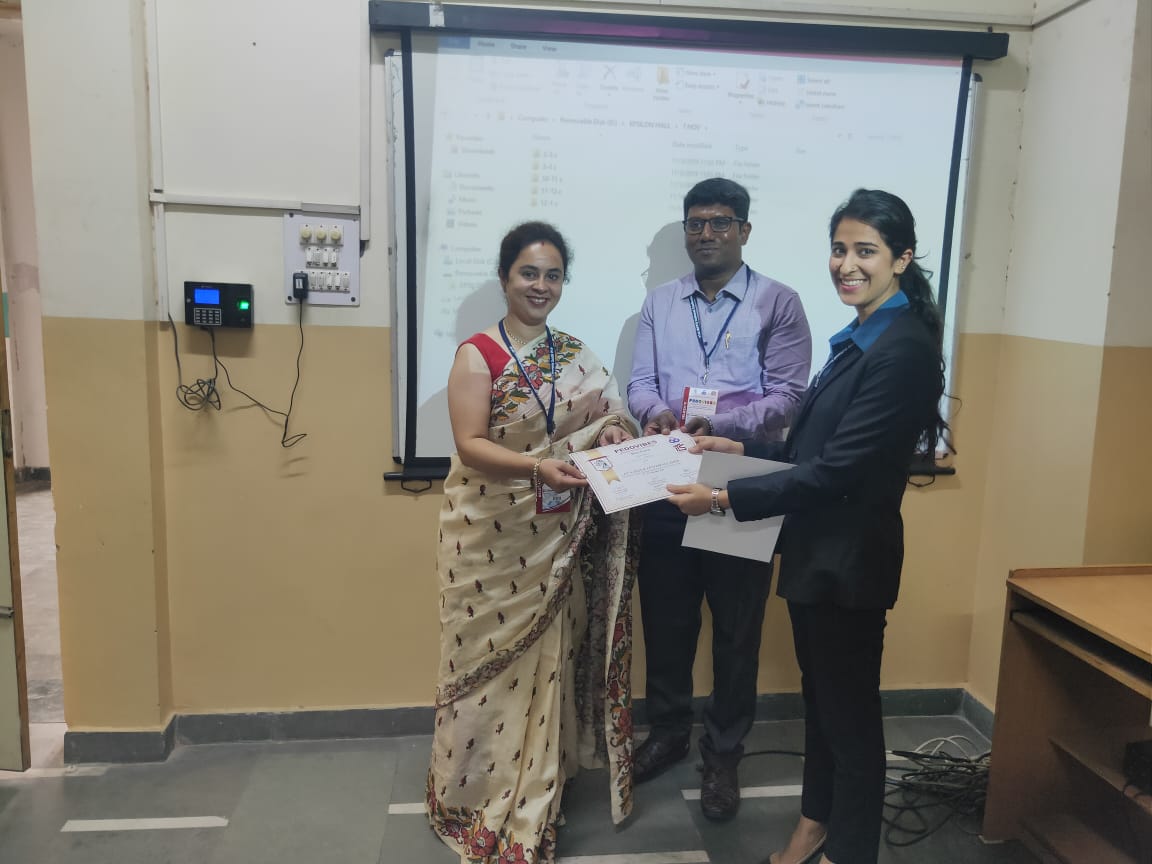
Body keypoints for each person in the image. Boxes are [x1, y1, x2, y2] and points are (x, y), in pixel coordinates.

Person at [667, 189, 950, 864]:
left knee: (850, 724)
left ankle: (848, 851)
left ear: (902, 258)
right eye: (839, 249)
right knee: (823, 709)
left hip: (848, 564)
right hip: (816, 556)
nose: (847, 265)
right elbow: (815, 449)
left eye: (866, 251)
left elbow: (838, 472)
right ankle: (815, 825)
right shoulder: (861, 336)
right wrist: (744, 450)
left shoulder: (901, 349)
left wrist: (721, 499)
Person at [426, 221, 640, 864]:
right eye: (528, 273)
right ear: (504, 278)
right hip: (488, 539)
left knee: (549, 661)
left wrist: (612, 434)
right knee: (482, 667)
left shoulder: (575, 353)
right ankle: (473, 793)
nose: (540, 286)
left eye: (552, 275)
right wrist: (536, 466)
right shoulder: (478, 354)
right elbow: (470, 445)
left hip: (558, 537)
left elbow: (611, 413)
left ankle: (536, 791)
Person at [626, 178, 812, 821]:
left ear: (744, 231)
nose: (707, 234)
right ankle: (668, 734)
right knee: (667, 620)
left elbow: (789, 399)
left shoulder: (779, 302)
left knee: (736, 630)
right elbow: (640, 382)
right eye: (696, 223)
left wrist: (719, 425)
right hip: (667, 477)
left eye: (721, 223)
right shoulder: (660, 302)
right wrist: (656, 415)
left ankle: (724, 754)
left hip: (739, 481)